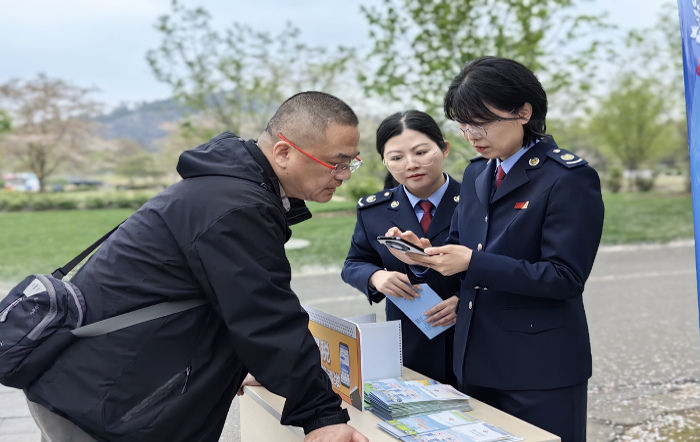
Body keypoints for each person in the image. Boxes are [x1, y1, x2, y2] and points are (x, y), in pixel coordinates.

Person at [24, 91, 369, 442]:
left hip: (96, 386)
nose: (344, 175)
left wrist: (252, 367)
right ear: (283, 152)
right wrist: (320, 414)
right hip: (104, 402)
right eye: (337, 163)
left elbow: (228, 304)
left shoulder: (226, 189)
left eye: (351, 163)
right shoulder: (235, 206)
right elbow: (265, 316)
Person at [383, 57, 604, 441]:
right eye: (464, 125)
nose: (472, 135)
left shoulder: (567, 177)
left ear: (523, 111)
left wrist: (474, 262)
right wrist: (422, 255)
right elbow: (457, 247)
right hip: (474, 360)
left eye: (482, 123)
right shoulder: (477, 173)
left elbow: (564, 277)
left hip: (539, 369)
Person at [341, 110, 460, 386]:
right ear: (384, 161)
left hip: (470, 338)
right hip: (409, 342)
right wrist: (376, 277)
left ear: (444, 149)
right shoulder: (375, 210)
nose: (411, 164)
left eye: (421, 152)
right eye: (396, 157)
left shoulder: (476, 201)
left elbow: (496, 261)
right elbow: (354, 263)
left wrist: (466, 301)